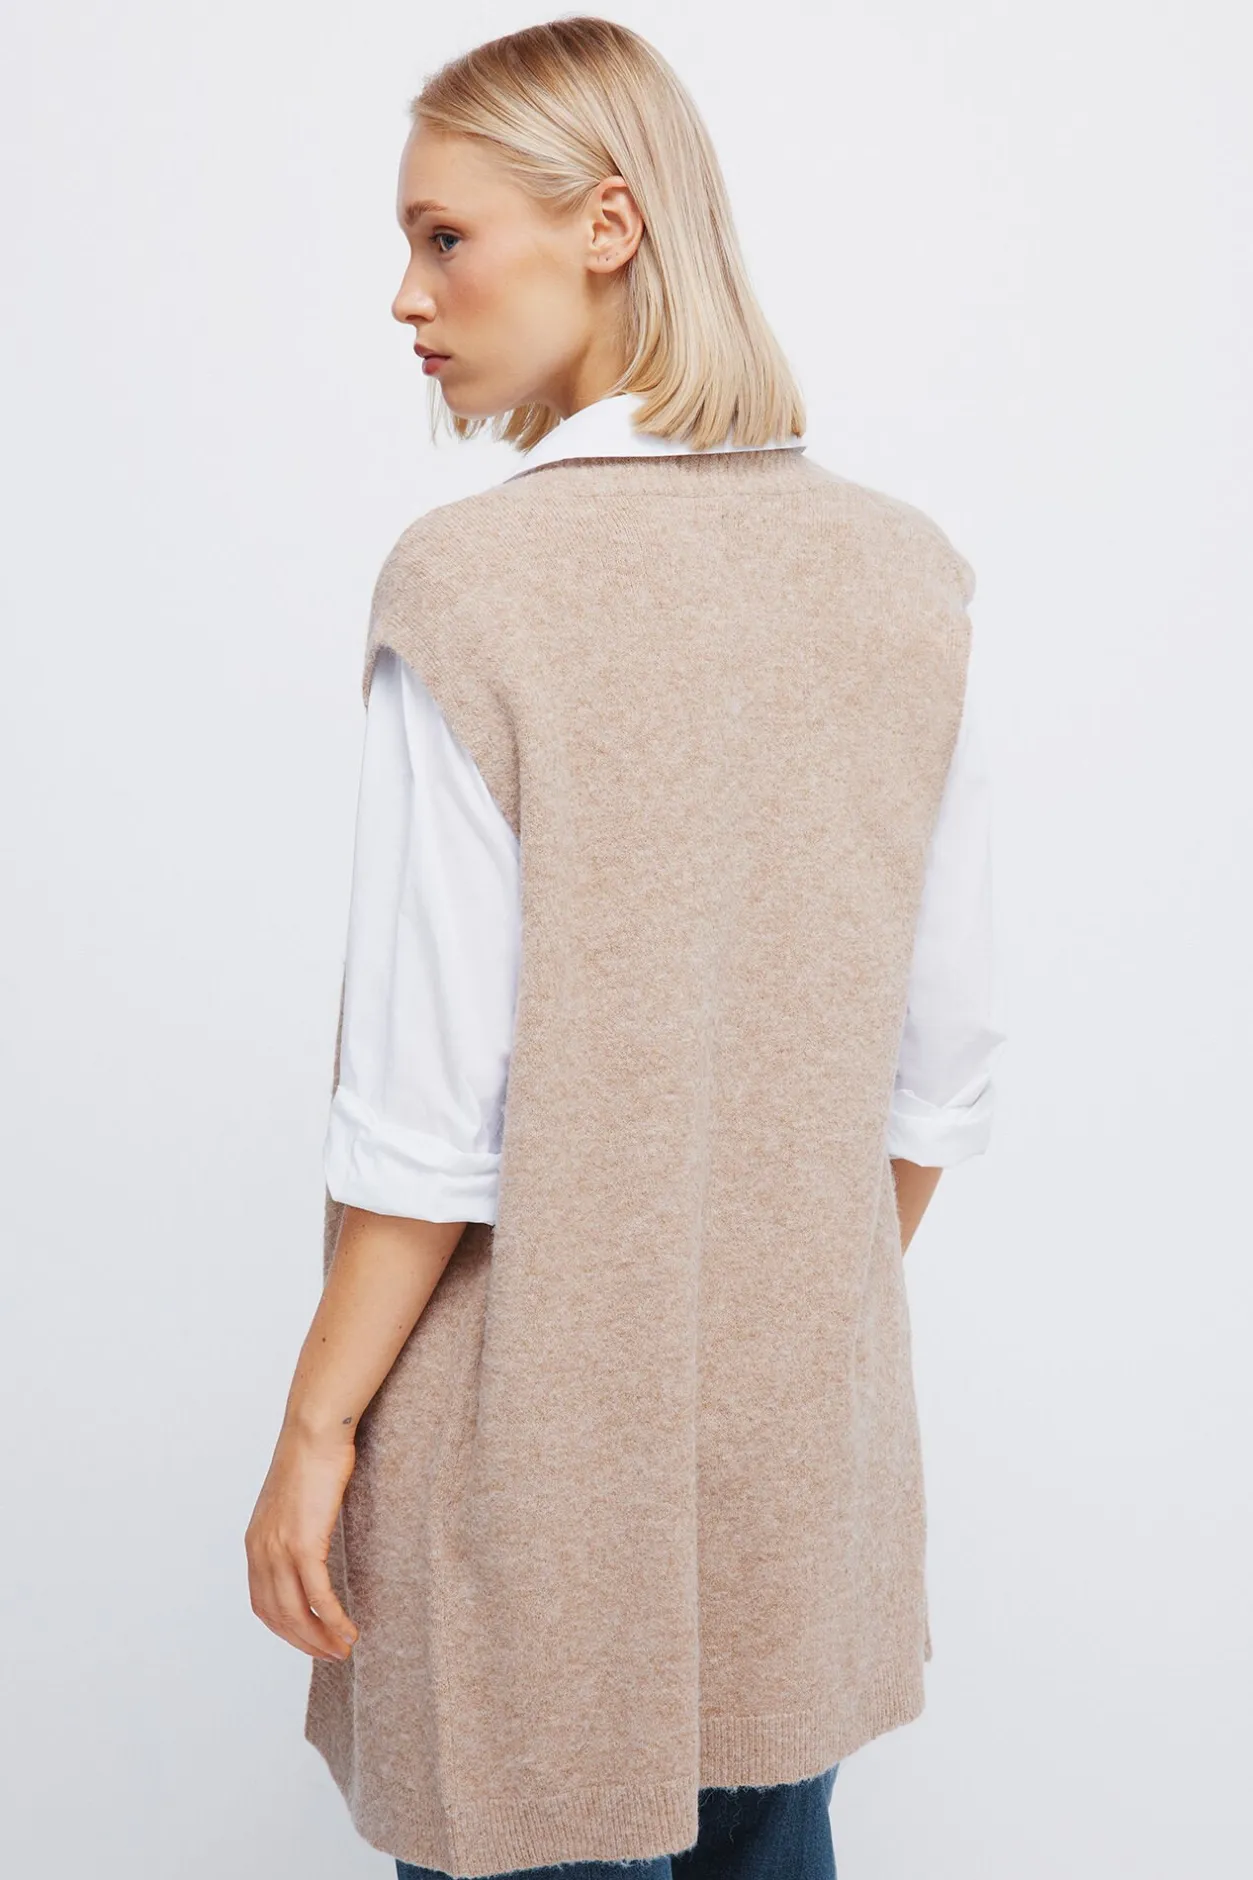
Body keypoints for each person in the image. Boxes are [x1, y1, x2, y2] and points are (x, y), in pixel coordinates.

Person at [244, 17, 1005, 1880]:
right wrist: (758, 1318)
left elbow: (427, 1125)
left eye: (443, 238)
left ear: (607, 224)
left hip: (530, 1477)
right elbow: (940, 1071)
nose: (406, 298)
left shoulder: (476, 587)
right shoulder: (910, 575)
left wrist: (316, 1432)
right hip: (792, 1476)